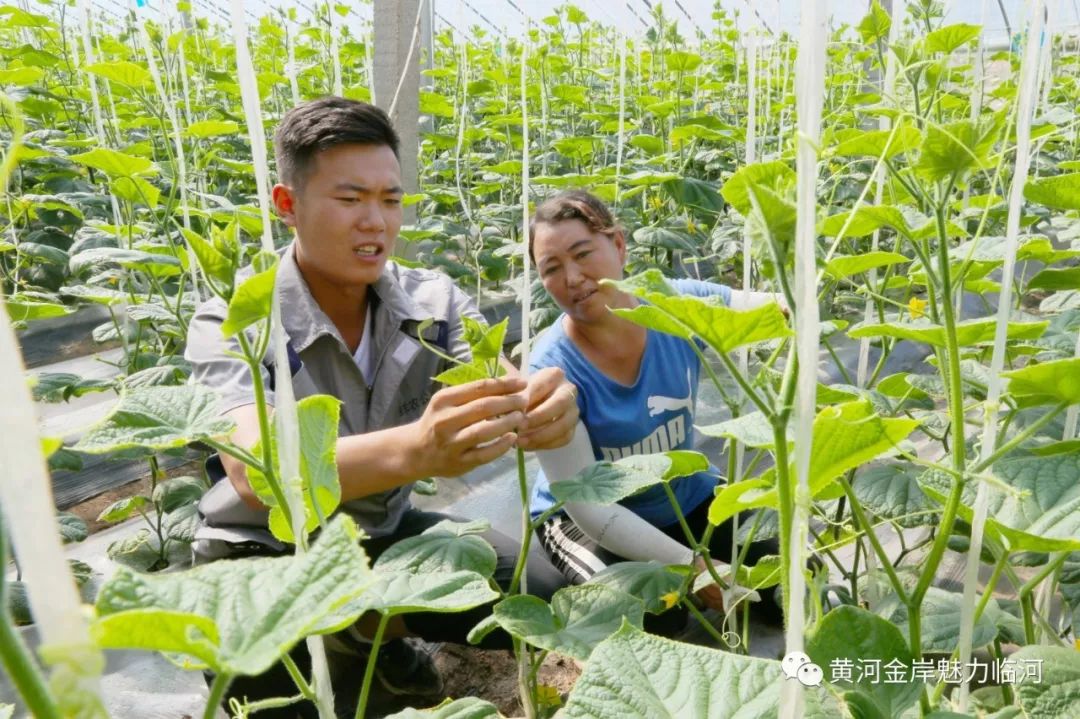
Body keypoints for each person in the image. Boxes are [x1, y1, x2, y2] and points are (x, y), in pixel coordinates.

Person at [184, 97, 576, 716]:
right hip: (267, 555)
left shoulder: (435, 301)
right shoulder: (234, 319)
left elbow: (503, 385)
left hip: (382, 534)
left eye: (390, 201)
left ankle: (368, 632)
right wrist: (418, 450)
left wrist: (541, 405)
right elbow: (258, 474)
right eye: (350, 199)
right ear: (287, 206)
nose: (376, 222)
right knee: (275, 701)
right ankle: (352, 631)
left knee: (537, 594)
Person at [527, 190, 786, 629]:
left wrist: (790, 302)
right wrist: (693, 565)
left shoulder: (674, 303)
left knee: (789, 573)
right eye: (551, 269)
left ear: (620, 245)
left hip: (681, 493)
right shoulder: (551, 370)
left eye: (582, 253)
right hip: (587, 519)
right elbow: (590, 508)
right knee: (653, 619)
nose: (571, 278)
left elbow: (766, 310)